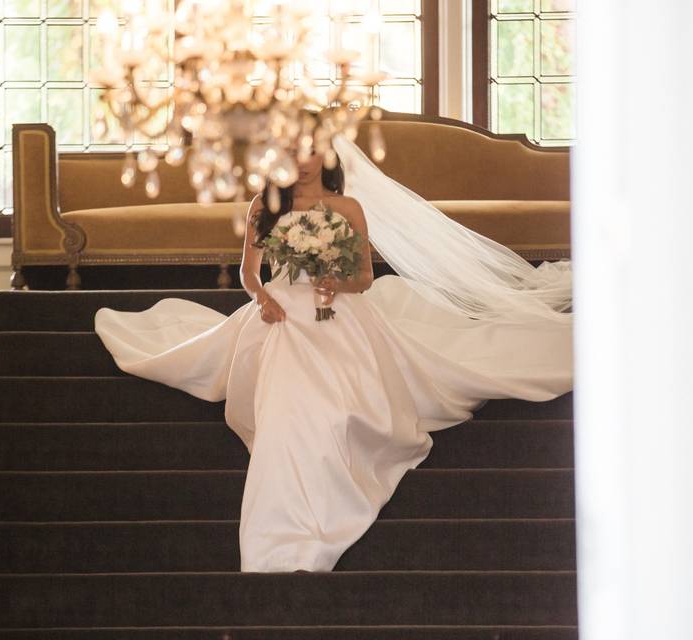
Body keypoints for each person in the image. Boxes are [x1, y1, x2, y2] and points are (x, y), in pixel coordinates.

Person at [93, 134, 574, 572]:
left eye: (308, 151)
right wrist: (262, 299)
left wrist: (332, 283)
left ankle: (313, 490)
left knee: (338, 382)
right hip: (280, 310)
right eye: (290, 152)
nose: (300, 163)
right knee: (284, 365)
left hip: (336, 309)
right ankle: (287, 510)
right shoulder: (266, 205)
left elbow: (364, 278)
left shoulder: (348, 207)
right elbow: (248, 273)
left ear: (326, 155)